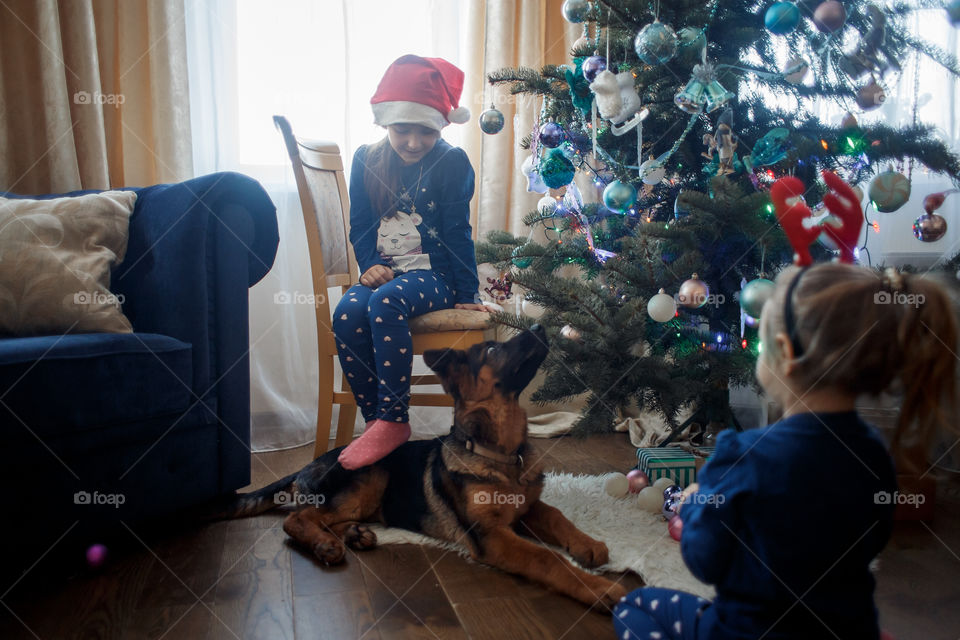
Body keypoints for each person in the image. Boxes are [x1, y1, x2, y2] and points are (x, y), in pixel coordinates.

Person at [614, 264, 958, 639]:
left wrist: (695, 506)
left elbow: (705, 562)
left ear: (784, 351)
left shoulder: (740, 456)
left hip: (746, 631)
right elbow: (869, 541)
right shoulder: (876, 455)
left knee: (634, 606)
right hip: (847, 630)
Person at [333, 54, 490, 470]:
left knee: (385, 301)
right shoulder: (366, 159)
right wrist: (369, 264)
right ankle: (375, 423)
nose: (415, 142)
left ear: (442, 126)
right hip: (384, 275)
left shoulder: (451, 162)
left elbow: (457, 231)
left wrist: (467, 292)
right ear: (386, 123)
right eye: (403, 130)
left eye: (427, 131)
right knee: (347, 313)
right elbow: (361, 224)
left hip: (433, 277)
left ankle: (394, 419)